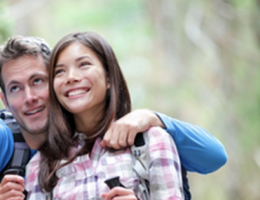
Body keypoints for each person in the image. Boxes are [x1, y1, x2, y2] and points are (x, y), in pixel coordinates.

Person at [0, 6, 227, 199]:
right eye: (16, 88)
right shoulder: (5, 146)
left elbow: (213, 156)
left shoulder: (134, 138)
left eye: (38, 81)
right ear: (4, 99)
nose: (30, 97)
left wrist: (154, 118)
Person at [24, 31, 182, 199]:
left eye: (84, 64)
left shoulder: (152, 141)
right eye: (60, 71)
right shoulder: (40, 165)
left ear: (108, 77)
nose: (70, 77)